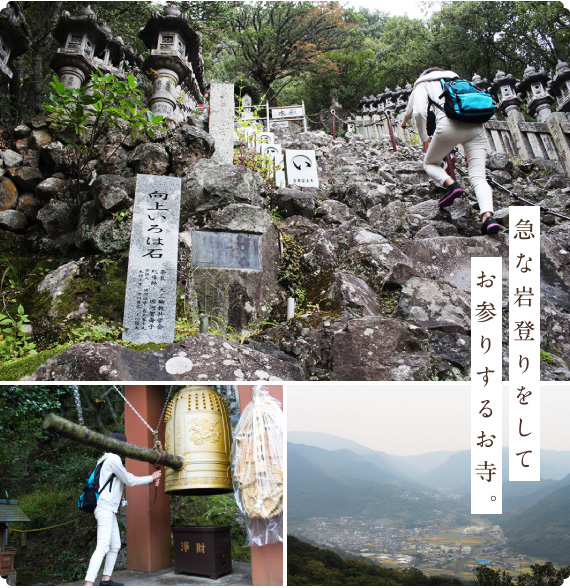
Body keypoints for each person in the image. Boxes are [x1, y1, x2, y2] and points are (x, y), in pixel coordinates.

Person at [408, 67, 500, 235]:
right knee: (478, 176)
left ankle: (451, 185)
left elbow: (419, 112)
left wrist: (424, 138)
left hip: (448, 126)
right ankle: (488, 217)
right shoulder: (458, 80)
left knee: (430, 163)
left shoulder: (423, 84)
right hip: (477, 127)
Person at [84, 433, 162, 587]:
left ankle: (105, 580)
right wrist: (151, 477)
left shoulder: (104, 459)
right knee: (103, 547)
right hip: (105, 508)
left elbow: (123, 479)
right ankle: (88, 584)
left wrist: (150, 482)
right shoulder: (113, 458)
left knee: (115, 545)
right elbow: (128, 479)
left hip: (108, 509)